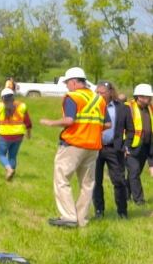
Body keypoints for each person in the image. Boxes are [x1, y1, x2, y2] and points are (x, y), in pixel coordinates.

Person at [40, 67, 108, 228]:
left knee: (62, 179)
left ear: (74, 82)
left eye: (67, 83)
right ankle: (82, 219)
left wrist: (50, 122)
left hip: (74, 144)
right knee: (87, 184)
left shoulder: (73, 97)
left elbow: (69, 120)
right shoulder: (99, 100)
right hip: (93, 146)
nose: (66, 86)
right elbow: (107, 123)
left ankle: (68, 217)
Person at [93, 81, 131, 219]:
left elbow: (130, 130)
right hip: (95, 148)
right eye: (97, 92)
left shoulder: (122, 108)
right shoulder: (92, 107)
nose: (99, 95)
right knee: (96, 181)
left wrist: (125, 145)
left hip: (114, 149)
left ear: (110, 92)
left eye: (101, 92)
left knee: (119, 181)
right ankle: (99, 210)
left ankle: (122, 212)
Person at [0, 88, 32, 181]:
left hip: (5, 136)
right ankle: (11, 175)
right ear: (13, 97)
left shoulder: (0, 106)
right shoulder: (22, 106)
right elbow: (28, 123)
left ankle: (9, 169)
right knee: (12, 156)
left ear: (2, 98)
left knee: (1, 155)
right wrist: (29, 134)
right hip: (18, 136)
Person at [124, 83, 153, 206]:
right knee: (134, 172)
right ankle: (139, 200)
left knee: (134, 173)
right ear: (139, 97)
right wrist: (124, 146)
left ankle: (125, 195)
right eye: (147, 97)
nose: (150, 99)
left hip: (145, 146)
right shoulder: (127, 108)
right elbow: (120, 128)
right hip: (131, 147)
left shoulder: (150, 108)